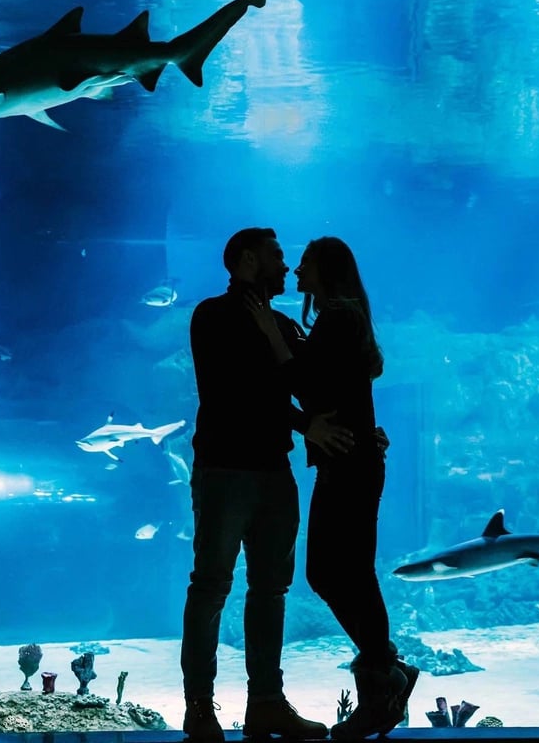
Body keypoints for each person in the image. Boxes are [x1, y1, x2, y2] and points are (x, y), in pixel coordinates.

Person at [181, 227, 353, 741]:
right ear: (247, 259)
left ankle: (266, 703)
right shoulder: (211, 316)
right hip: (224, 470)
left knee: (270, 589)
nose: (286, 266)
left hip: (275, 471)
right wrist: (305, 424)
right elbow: (238, 390)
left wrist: (362, 433)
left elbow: (314, 384)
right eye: (277, 256)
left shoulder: (282, 324)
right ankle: (199, 706)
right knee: (212, 585)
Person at [246, 236, 419, 740]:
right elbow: (339, 386)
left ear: (327, 270)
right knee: (338, 572)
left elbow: (306, 383)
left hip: (349, 463)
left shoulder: (339, 317)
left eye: (305, 264)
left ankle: (382, 684)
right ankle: (387, 673)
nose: (297, 272)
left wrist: (270, 333)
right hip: (350, 459)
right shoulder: (341, 318)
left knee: (340, 573)